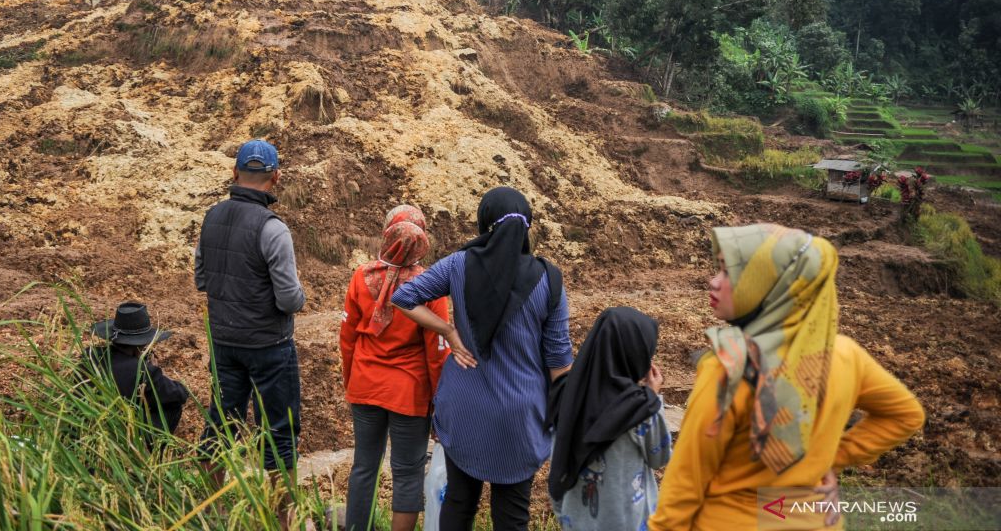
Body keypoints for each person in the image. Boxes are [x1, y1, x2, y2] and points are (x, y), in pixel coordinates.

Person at [650, 224, 926, 530]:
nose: (713, 282)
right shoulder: (845, 356)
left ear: (770, 285)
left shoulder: (730, 368)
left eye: (728, 272)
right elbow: (906, 415)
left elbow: (685, 486)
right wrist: (828, 459)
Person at [391, 186, 572, 531]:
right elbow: (559, 359)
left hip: (465, 409)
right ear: (526, 227)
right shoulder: (549, 280)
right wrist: (564, 420)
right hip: (520, 417)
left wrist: (447, 331)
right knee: (512, 515)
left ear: (484, 223)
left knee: (459, 503)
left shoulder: (459, 265)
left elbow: (404, 296)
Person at [195, 139, 306, 479]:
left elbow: (201, 279)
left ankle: (209, 510)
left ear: (234, 173)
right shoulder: (272, 228)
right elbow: (289, 299)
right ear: (276, 177)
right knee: (278, 435)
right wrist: (301, 296)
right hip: (269, 345)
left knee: (221, 423)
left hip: (225, 341)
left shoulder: (212, 216)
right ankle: (280, 520)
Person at [340, 205, 450, 531]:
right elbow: (437, 354)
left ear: (386, 234)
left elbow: (347, 339)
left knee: (364, 466)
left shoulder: (361, 277)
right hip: (409, 392)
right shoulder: (430, 286)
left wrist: (352, 383)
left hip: (365, 385)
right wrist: (437, 403)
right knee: (407, 471)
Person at [547, 307, 672, 531]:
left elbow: (558, 455)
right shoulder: (641, 408)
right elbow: (659, 457)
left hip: (576, 521)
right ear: (635, 357)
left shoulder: (567, 393)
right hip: (628, 523)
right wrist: (652, 398)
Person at [84, 301, 191, 437]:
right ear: (142, 343)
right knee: (171, 406)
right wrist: (151, 368)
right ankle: (149, 449)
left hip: (88, 422)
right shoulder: (142, 371)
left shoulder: (90, 354)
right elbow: (179, 394)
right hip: (120, 431)